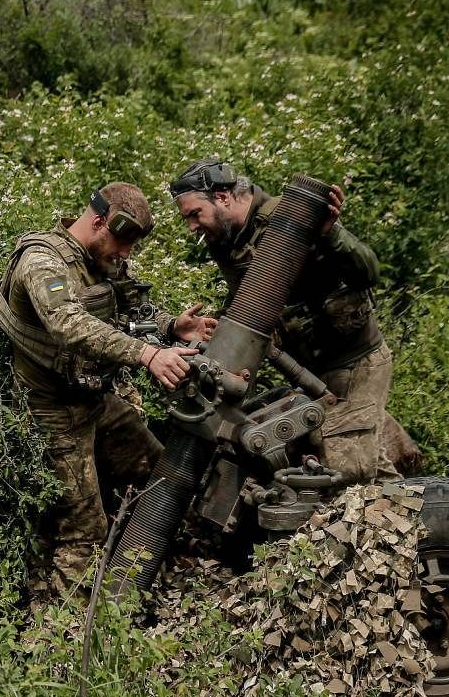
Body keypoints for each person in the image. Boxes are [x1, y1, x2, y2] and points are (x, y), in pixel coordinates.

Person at [0, 182, 213, 602]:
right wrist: (148, 355)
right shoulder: (42, 262)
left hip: (95, 400)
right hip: (53, 413)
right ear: (97, 222)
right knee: (83, 533)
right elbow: (68, 324)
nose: (126, 254)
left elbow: (124, 308)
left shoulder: (99, 259)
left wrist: (170, 327)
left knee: (159, 475)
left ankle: (155, 582)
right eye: (122, 242)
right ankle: (60, 642)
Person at [168, 158, 401, 484]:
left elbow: (369, 271)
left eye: (195, 214)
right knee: (367, 467)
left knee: (350, 475)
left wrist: (332, 234)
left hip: (353, 364)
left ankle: (424, 522)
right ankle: (426, 525)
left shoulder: (290, 216)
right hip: (307, 371)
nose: (192, 226)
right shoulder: (227, 240)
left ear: (222, 197)